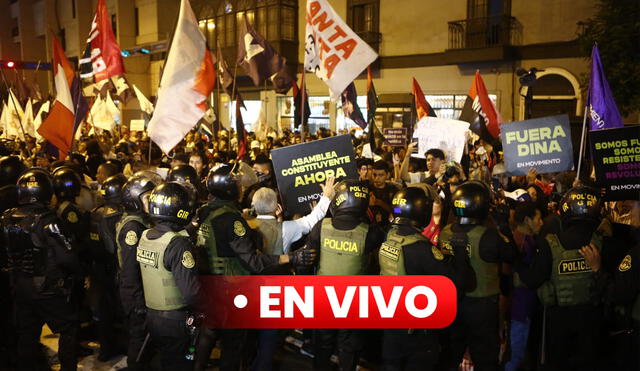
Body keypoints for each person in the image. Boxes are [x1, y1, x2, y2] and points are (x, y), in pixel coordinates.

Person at [193, 163, 317, 371]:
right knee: (233, 347)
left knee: (207, 339)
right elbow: (253, 261)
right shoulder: (232, 219)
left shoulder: (205, 212)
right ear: (229, 188)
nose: (242, 188)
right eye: (238, 185)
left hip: (208, 287)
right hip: (231, 291)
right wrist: (290, 257)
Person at [513, 186, 609, 370]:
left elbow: (534, 280)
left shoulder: (550, 243)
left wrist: (516, 261)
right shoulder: (604, 241)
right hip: (593, 319)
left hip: (558, 322)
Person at [379, 184, 470, 370]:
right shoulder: (422, 248)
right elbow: (456, 286)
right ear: (422, 211)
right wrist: (460, 253)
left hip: (389, 323)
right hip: (416, 332)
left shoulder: (389, 236)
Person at [2, 169, 84, 371]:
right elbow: (69, 256)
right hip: (48, 289)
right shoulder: (48, 221)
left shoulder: (6, 218)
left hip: (20, 287)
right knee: (69, 328)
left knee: (27, 334)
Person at [439, 181, 518, 370]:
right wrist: (504, 225)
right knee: (485, 358)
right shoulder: (489, 236)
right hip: (482, 307)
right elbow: (512, 255)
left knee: (451, 355)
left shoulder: (445, 232)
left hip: (452, 304)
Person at [308, 179, 386, 371]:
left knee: (323, 345)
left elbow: (306, 260)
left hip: (324, 296)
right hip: (353, 299)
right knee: (348, 347)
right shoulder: (370, 233)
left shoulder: (321, 226)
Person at [137, 181, 201, 371]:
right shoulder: (179, 245)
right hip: (175, 321)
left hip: (152, 316)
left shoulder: (145, 235)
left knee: (166, 361)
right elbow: (191, 293)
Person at [115, 172, 164, 370]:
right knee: (140, 340)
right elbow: (129, 268)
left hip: (142, 290)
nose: (151, 201)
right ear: (134, 201)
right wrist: (137, 302)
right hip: (135, 292)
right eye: (146, 198)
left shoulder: (142, 221)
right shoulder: (133, 227)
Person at [88, 173, 127, 361]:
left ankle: (106, 349)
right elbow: (114, 248)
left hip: (97, 269)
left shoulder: (95, 212)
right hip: (114, 269)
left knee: (103, 313)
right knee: (123, 311)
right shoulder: (118, 215)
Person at [505, 202, 544, 371]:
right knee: (514, 357)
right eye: (538, 218)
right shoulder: (519, 242)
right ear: (528, 220)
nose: (541, 222)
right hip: (518, 310)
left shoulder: (528, 240)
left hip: (524, 308)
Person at [369, 160, 400, 228]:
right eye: (374, 175)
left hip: (387, 227)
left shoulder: (394, 191)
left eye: (381, 175)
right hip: (367, 226)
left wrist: (381, 203)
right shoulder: (367, 188)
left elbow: (399, 210)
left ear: (388, 175)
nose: (377, 178)